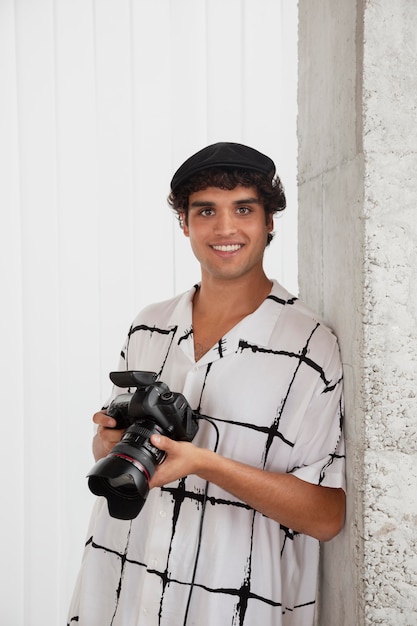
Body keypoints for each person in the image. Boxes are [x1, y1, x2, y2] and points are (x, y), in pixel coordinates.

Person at [67, 142, 346, 626]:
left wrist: (206, 464)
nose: (225, 228)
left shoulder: (310, 346)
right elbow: (111, 453)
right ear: (184, 223)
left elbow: (325, 515)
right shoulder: (148, 326)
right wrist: (106, 440)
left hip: (231, 600)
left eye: (243, 208)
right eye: (205, 211)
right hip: (122, 584)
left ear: (269, 221)